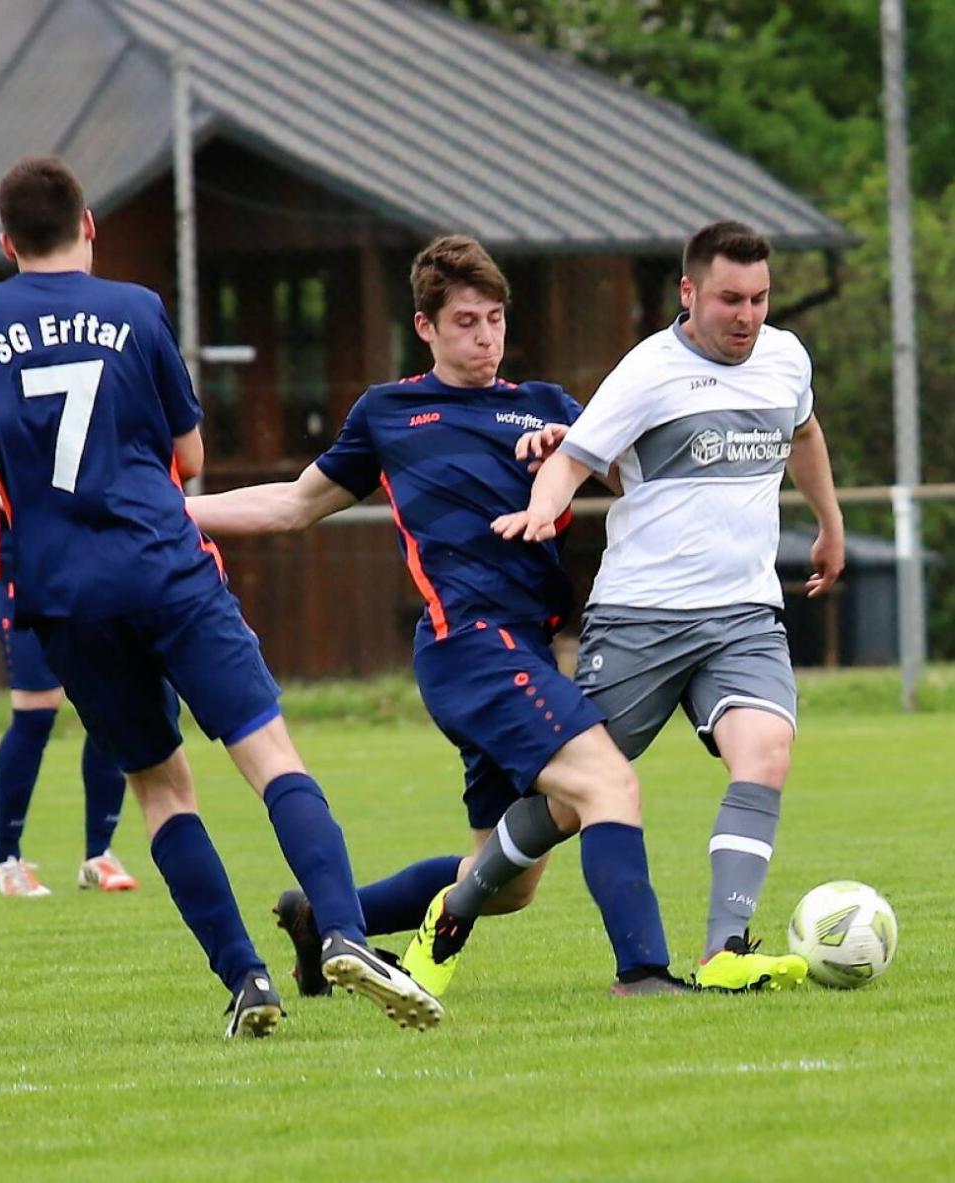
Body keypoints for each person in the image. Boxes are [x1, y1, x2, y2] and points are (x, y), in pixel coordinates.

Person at [0, 155, 442, 1037]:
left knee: (161, 789)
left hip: (60, 594)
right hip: (165, 566)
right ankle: (346, 933)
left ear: (6, 239)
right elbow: (194, 459)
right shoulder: (137, 310)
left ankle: (246, 976)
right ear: (89, 225)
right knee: (271, 756)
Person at [188, 234, 690, 999]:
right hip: (470, 647)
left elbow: (638, 479)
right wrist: (172, 511)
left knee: (508, 880)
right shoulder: (390, 412)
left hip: (523, 647)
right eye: (464, 321)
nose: (485, 336)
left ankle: (328, 918)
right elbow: (294, 504)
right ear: (423, 326)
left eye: (493, 318)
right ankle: (643, 973)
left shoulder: (545, 405)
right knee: (607, 785)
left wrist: (579, 451)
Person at [492, 220, 844, 990]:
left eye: (757, 298)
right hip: (640, 619)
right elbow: (576, 457)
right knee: (569, 800)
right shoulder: (646, 371)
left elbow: (805, 430)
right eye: (728, 299)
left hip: (743, 615)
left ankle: (725, 949)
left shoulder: (784, 358)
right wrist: (539, 509)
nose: (745, 316)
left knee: (765, 756)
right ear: (689, 293)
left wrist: (828, 522)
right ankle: (453, 906)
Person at [0, 398, 137, 897]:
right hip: (24, 565)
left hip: (95, 555)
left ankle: (99, 854)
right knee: (36, 709)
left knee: (113, 700)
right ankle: (3, 857)